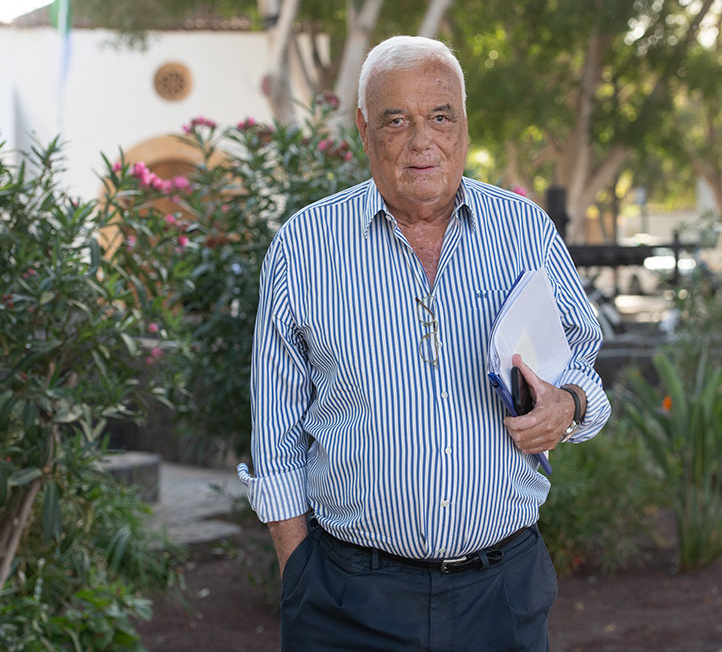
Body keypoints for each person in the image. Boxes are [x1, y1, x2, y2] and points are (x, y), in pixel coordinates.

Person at [237, 35, 611, 651]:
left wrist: (566, 407)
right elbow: (275, 434)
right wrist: (299, 572)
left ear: (464, 124)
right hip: (348, 600)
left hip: (502, 593)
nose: (422, 141)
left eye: (441, 116)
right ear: (364, 130)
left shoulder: (525, 232)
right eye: (396, 121)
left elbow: (583, 371)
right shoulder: (303, 248)